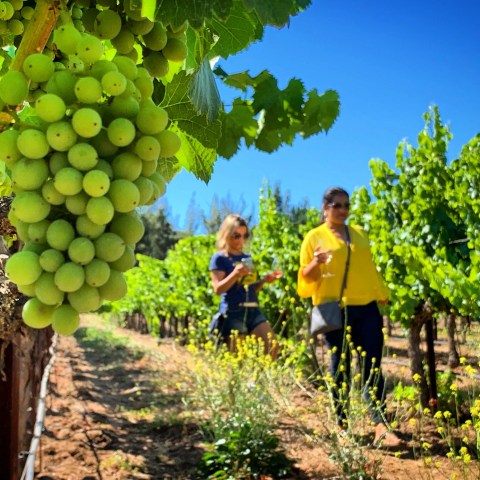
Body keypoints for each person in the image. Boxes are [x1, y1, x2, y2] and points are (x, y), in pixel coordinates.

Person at [297, 186, 400, 447]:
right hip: (335, 308)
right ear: (325, 208)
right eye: (337, 205)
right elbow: (305, 278)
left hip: (366, 307)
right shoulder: (314, 236)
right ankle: (342, 427)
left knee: (372, 366)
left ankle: (380, 426)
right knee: (340, 367)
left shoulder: (359, 234)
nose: (343, 210)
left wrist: (381, 291)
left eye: (346, 205)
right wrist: (316, 263)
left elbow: (370, 267)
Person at [209, 214, 280, 358]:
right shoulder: (220, 258)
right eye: (236, 235)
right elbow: (218, 289)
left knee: (272, 346)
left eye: (244, 235)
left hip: (253, 309)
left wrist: (264, 281)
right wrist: (235, 274)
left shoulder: (247, 258)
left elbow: (250, 288)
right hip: (233, 311)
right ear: (226, 234)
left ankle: (258, 379)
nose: (241, 240)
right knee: (239, 359)